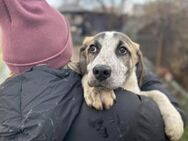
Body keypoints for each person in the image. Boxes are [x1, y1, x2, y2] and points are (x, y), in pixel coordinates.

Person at [0, 0, 185, 141]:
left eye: (122, 51)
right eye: (93, 49)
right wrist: (139, 64)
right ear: (68, 52)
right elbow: (168, 122)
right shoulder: (132, 112)